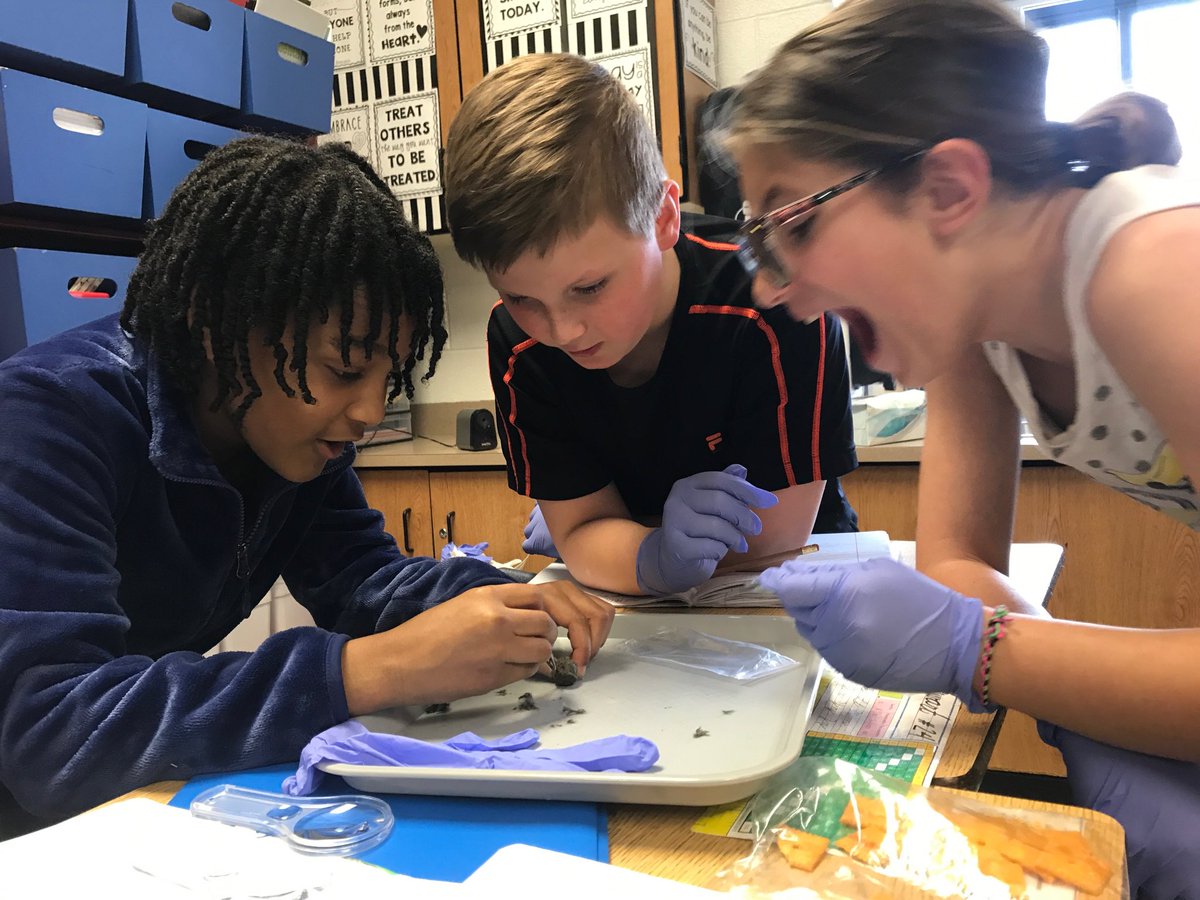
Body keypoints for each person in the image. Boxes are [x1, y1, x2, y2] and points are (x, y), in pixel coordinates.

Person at [0, 136, 613, 836]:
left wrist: (496, 600)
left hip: (124, 806)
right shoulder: (48, 417)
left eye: (390, 378)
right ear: (215, 324)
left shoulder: (279, 428)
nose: (369, 413)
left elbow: (358, 576)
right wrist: (366, 671)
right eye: (345, 370)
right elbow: (52, 734)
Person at [726, 0, 1200, 892]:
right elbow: (957, 563)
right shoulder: (978, 319)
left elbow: (974, 623)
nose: (770, 288)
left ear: (948, 188)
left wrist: (992, 653)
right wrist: (1080, 686)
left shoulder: (1157, 268)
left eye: (794, 225)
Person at [443, 53, 859, 597]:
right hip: (633, 600)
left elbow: (772, 542)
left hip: (791, 590)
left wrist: (613, 544)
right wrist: (652, 556)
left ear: (663, 218)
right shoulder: (518, 344)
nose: (562, 332)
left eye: (590, 288)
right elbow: (579, 533)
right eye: (521, 297)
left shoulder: (769, 305)